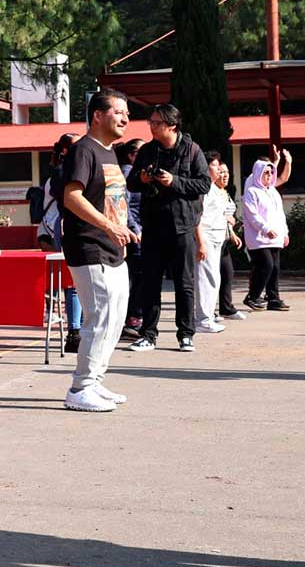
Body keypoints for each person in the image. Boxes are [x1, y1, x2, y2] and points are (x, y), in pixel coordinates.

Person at [60, 92, 136, 412]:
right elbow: (72, 197)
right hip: (89, 245)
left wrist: (122, 229)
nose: (125, 118)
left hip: (112, 245)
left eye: (127, 113)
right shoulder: (83, 150)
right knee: (99, 317)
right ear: (97, 116)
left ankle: (95, 380)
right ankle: (80, 387)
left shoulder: (109, 153)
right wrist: (108, 226)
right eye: (118, 112)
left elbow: (112, 199)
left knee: (116, 318)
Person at [125, 104, 210, 352]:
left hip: (183, 226)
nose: (151, 126)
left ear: (172, 125)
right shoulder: (148, 151)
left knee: (184, 283)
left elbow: (204, 184)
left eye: (156, 122)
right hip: (152, 226)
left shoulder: (192, 150)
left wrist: (175, 181)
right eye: (150, 122)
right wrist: (141, 179)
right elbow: (131, 184)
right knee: (151, 282)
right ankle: (148, 335)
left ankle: (185, 334)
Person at [37, 133, 83, 352]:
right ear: (65, 151)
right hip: (60, 229)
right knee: (71, 280)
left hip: (76, 228)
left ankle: (77, 327)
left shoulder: (76, 168)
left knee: (76, 281)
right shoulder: (60, 173)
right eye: (76, 146)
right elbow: (69, 201)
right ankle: (74, 332)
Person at [242, 157, 290, 311]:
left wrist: (285, 233)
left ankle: (273, 298)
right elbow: (252, 215)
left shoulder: (273, 192)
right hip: (258, 238)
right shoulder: (251, 191)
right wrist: (265, 229)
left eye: (271, 172)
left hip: (275, 238)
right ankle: (253, 296)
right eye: (265, 172)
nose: (269, 175)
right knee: (266, 265)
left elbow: (280, 215)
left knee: (275, 268)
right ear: (258, 173)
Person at [193, 151, 229, 335]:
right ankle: (203, 320)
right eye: (215, 165)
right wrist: (200, 243)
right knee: (205, 280)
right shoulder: (203, 188)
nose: (219, 169)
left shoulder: (215, 188)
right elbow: (196, 218)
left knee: (214, 278)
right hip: (205, 237)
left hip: (216, 238)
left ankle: (208, 315)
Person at [116, 139, 144, 339]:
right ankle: (132, 318)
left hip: (140, 230)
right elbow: (124, 205)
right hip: (136, 233)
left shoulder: (135, 173)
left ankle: (133, 317)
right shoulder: (127, 173)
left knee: (140, 277)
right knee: (140, 277)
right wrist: (135, 228)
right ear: (132, 155)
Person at [215, 163, 245, 321]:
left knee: (227, 273)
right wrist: (228, 223)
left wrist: (231, 231)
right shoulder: (210, 192)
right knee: (212, 277)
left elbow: (228, 218)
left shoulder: (224, 192)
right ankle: (210, 311)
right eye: (220, 172)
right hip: (213, 239)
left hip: (224, 239)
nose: (225, 175)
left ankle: (226, 308)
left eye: (227, 172)